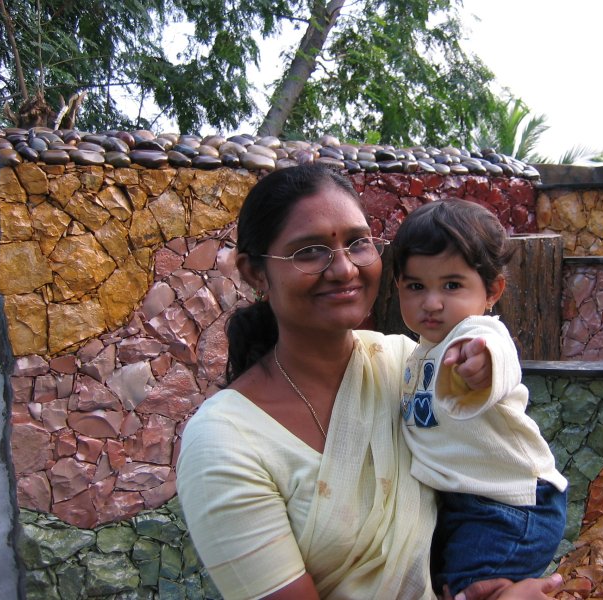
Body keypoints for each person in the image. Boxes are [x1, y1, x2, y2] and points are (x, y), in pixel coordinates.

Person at [175, 164, 565, 600]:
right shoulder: (225, 442)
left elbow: (489, 353)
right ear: (255, 272)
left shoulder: (401, 364)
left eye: (358, 243)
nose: (344, 269)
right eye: (310, 251)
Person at [391, 200, 568, 596]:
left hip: (511, 505)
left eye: (452, 285)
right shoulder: (420, 353)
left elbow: (497, 351)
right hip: (464, 503)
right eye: (416, 286)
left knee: (468, 589)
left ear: (492, 291)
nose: (432, 302)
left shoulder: (475, 333)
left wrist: (483, 364)